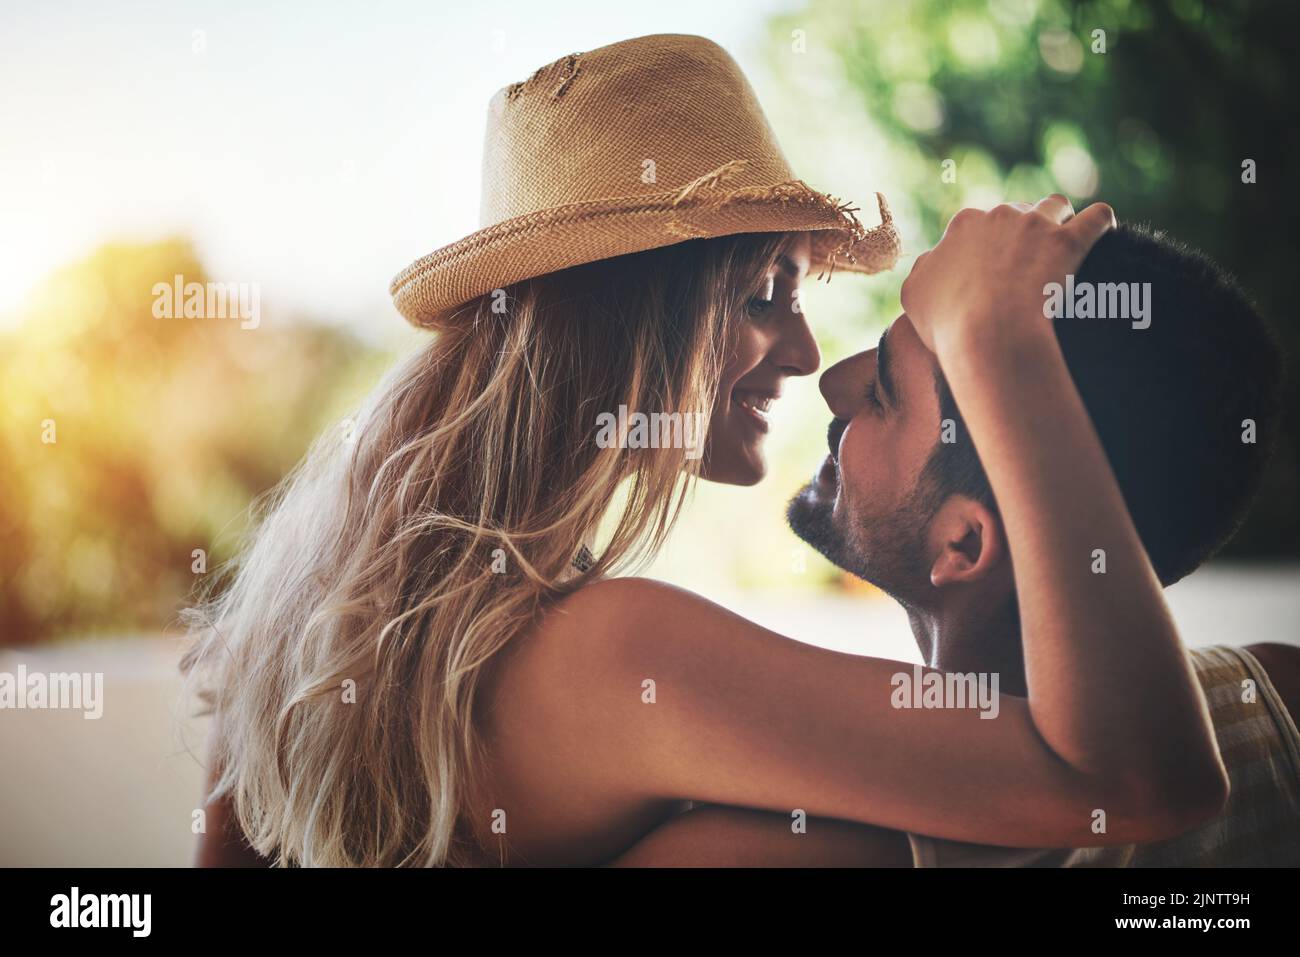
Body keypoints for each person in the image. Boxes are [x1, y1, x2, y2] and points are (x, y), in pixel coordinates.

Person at [186, 35, 1225, 868]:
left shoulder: (318, 600)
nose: (811, 353)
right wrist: (998, 336)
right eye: (764, 291)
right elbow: (1141, 787)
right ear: (636, 317)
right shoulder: (616, 653)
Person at [615, 221, 1297, 866]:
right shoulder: (1273, 707)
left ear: (964, 543)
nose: (831, 383)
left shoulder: (770, 850)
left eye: (883, 393)